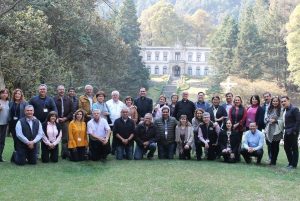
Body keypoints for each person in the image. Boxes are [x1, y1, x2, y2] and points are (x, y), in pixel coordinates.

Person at [54, 85, 73, 159]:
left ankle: (64, 154)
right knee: (54, 138)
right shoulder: (53, 99)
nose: (61, 91)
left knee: (65, 138)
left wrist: (66, 118)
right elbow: (52, 110)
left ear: (64, 91)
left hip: (66, 121)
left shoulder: (68, 100)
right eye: (60, 90)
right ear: (57, 90)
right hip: (56, 121)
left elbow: (72, 112)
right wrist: (57, 118)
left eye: (62, 89)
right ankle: (54, 154)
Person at [281, 96, 300, 169]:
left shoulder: (294, 109)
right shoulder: (284, 110)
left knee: (294, 148)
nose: (283, 103)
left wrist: (294, 131)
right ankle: (290, 162)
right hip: (286, 132)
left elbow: (298, 121)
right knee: (286, 147)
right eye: (282, 101)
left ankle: (293, 164)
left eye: (284, 101)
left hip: (293, 132)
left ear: (289, 101)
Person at [264, 96, 283, 165]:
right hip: (269, 129)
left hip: (277, 130)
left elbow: (282, 120)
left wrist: (275, 120)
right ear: (271, 102)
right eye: (273, 101)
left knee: (275, 146)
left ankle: (274, 161)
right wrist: (269, 120)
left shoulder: (281, 110)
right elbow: (265, 118)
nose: (275, 102)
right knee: (270, 145)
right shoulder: (269, 109)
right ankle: (270, 158)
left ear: (279, 102)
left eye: (276, 101)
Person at [106, 90, 126, 155]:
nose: (115, 96)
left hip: (118, 123)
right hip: (109, 122)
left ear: (118, 96)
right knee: (108, 136)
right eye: (113, 95)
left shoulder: (122, 104)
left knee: (116, 136)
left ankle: (115, 150)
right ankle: (108, 149)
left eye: (116, 95)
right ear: (111, 96)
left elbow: (124, 112)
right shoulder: (107, 103)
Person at [0, 88, 10, 162]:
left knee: (2, 141)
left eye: (6, 93)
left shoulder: (9, 103)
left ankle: (0, 157)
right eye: (3, 93)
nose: (4, 94)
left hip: (5, 124)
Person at [262, 92, 272, 161]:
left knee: (273, 143)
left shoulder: (274, 105)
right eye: (265, 97)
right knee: (268, 143)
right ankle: (270, 157)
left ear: (270, 97)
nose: (266, 98)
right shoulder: (263, 106)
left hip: (273, 126)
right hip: (265, 127)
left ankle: (273, 158)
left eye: (267, 96)